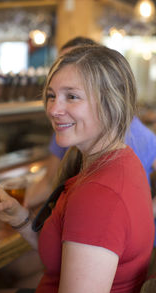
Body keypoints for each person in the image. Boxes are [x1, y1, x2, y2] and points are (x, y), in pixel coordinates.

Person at [0, 45, 154, 293]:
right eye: (51, 95)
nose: (53, 109)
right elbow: (68, 249)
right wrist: (20, 218)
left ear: (110, 103)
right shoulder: (120, 159)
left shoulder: (99, 196)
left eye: (71, 96)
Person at [24, 37, 156, 209]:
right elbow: (50, 181)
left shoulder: (133, 139)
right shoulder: (72, 133)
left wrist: (147, 212)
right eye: (59, 64)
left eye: (71, 96)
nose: (54, 110)